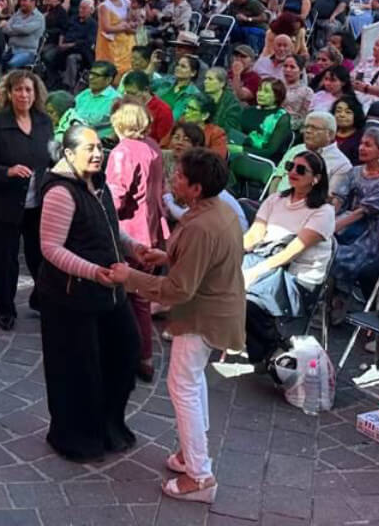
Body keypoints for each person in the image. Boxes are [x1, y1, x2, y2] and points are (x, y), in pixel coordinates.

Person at [116, 148, 245, 503]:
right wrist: (166, 256)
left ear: (197, 188)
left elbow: (179, 288)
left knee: (182, 386)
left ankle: (200, 476)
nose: (173, 179)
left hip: (203, 315)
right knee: (192, 381)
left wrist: (131, 277)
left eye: (179, 177)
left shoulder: (202, 224)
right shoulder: (216, 210)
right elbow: (200, 259)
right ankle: (193, 455)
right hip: (214, 309)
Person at [32, 125, 140, 461]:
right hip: (70, 299)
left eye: (99, 147)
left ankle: (109, 427)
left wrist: (134, 248)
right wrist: (93, 272)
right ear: (67, 153)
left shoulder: (99, 184)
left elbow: (109, 228)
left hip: (109, 293)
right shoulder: (61, 192)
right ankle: (77, 438)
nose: (97, 154)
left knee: (123, 355)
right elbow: (50, 248)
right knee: (78, 370)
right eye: (88, 149)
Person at [0, 70, 54, 331]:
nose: (23, 94)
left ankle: (40, 300)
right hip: (3, 205)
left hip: (36, 205)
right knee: (4, 261)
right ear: (9, 93)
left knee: (40, 257)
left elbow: (52, 154)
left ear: (36, 93)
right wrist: (6, 171)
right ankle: (5, 309)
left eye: (28, 89)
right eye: (18, 90)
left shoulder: (43, 122)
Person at [241, 149, 335, 364]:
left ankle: (270, 348)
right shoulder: (276, 199)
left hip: (297, 277)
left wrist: (254, 271)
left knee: (247, 300)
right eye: (290, 166)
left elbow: (291, 252)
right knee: (219, 276)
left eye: (301, 170)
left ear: (316, 179)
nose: (293, 172)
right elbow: (255, 234)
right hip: (266, 262)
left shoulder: (323, 211)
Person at [105, 101, 166, 381]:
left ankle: (131, 354)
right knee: (140, 298)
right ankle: (143, 356)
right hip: (153, 228)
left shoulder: (123, 152)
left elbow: (115, 197)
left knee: (126, 295)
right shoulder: (152, 146)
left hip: (130, 231)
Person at [330, 126, 379, 295]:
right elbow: (339, 199)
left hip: (372, 235)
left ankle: (337, 299)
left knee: (336, 256)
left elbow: (361, 212)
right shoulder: (354, 171)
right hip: (346, 224)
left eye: (368, 145)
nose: (361, 148)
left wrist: (332, 228)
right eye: (361, 143)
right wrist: (327, 221)